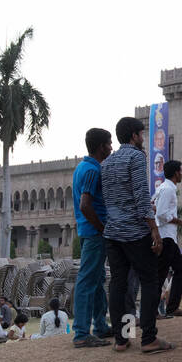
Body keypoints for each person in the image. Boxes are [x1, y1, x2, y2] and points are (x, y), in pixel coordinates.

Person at [101, 116, 173, 354]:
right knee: (149, 281)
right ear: (133, 135)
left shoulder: (107, 163)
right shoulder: (136, 157)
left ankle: (122, 340)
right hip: (134, 231)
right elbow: (141, 196)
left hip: (113, 233)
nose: (143, 139)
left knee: (119, 286)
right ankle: (149, 338)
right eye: (141, 134)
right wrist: (154, 229)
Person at [72, 127, 114, 348]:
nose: (111, 147)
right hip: (94, 232)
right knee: (88, 280)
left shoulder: (83, 167)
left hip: (88, 231)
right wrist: (102, 228)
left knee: (97, 280)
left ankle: (99, 326)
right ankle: (81, 332)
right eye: (109, 144)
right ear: (101, 147)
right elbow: (85, 204)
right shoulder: (92, 170)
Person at [153, 159, 182, 318]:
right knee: (161, 273)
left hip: (168, 236)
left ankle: (171, 307)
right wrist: (179, 221)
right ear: (176, 173)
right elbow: (161, 214)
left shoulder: (162, 187)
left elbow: (153, 205)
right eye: (181, 171)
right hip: (166, 236)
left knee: (180, 269)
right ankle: (153, 310)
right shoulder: (168, 189)